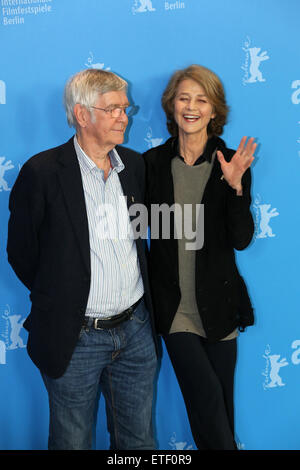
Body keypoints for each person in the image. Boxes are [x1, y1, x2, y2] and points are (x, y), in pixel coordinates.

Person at [7, 68, 158, 450]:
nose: (125, 116)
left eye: (125, 108)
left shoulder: (134, 166)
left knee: (139, 442)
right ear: (81, 114)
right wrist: (64, 298)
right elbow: (21, 254)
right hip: (75, 338)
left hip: (136, 331)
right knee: (72, 442)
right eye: (113, 109)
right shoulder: (41, 173)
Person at [143, 64, 256, 450]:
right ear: (172, 106)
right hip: (174, 311)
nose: (191, 107)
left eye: (201, 100)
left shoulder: (229, 160)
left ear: (213, 110)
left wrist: (236, 186)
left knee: (222, 408)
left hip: (220, 306)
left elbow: (241, 240)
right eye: (184, 98)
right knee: (206, 399)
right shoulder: (151, 164)